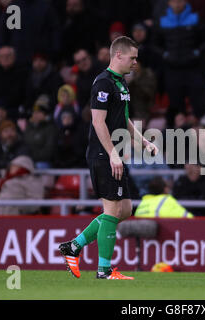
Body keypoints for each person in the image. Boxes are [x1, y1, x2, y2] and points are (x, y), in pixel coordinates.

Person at [59, 36, 158, 280]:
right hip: (104, 154)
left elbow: (122, 119)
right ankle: (104, 270)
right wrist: (113, 153)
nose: (136, 62)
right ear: (118, 56)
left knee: (125, 209)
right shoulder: (103, 83)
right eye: (132, 58)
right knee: (112, 210)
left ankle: (74, 246)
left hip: (115, 154)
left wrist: (142, 141)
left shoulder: (120, 83)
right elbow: (97, 121)